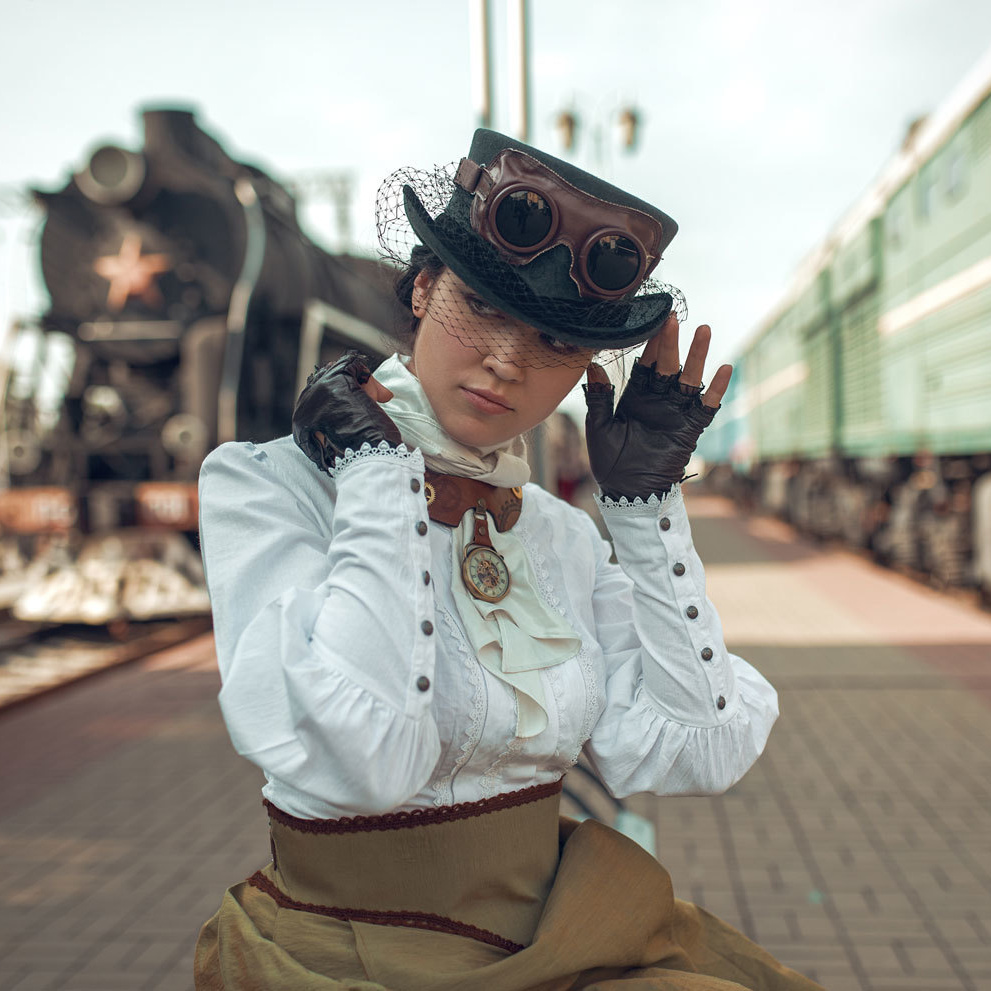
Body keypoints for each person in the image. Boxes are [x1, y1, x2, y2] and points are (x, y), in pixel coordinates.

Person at [194, 129, 824, 990]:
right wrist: (378, 473)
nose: (506, 362)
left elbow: (693, 751)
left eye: (555, 344)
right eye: (482, 308)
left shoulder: (557, 535)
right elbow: (363, 759)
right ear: (421, 287)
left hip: (559, 928)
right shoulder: (267, 485)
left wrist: (644, 510)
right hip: (352, 952)